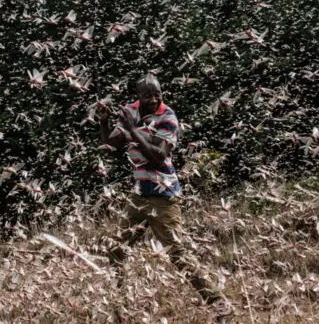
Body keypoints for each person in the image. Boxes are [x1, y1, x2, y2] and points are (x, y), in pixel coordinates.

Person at [99, 73, 233, 319]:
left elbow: (158, 156)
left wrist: (132, 129)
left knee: (177, 254)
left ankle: (219, 303)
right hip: (139, 195)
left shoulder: (168, 117)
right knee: (116, 249)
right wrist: (104, 122)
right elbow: (112, 144)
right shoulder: (131, 111)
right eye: (147, 95)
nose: (153, 99)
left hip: (164, 195)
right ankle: (120, 309)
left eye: (157, 94)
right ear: (137, 96)